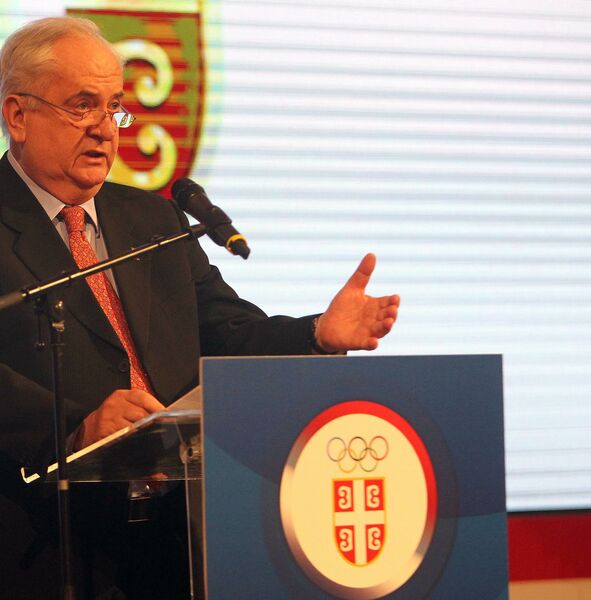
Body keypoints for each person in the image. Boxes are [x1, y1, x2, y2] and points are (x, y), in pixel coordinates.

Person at [0, 16, 399, 600]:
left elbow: (228, 332)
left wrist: (316, 334)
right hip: (46, 543)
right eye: (83, 106)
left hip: (178, 542)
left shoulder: (152, 219)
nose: (106, 129)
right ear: (17, 115)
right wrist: (74, 427)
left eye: (115, 108)